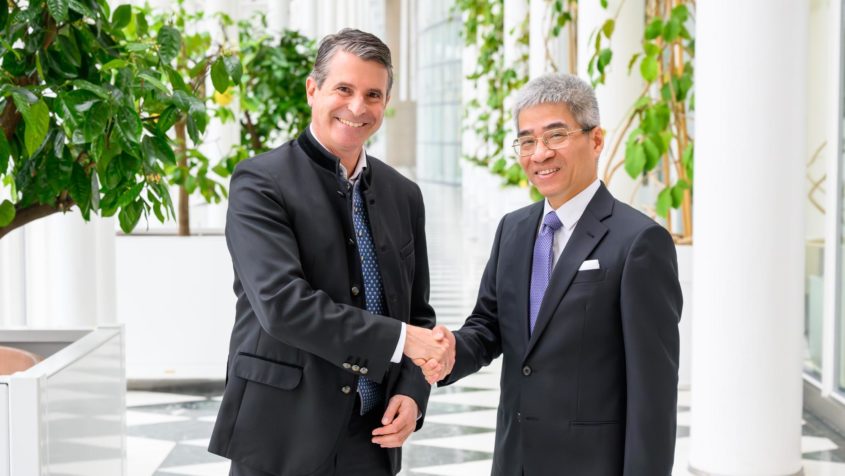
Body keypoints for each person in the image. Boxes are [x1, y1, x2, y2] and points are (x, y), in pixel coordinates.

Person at [209, 28, 448, 476]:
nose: (357, 107)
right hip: (282, 432)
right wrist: (400, 340)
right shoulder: (259, 183)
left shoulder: (404, 194)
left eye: (373, 95)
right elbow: (283, 306)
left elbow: (418, 313)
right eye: (343, 89)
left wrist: (413, 392)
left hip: (371, 436)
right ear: (312, 89)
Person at [419, 73, 682, 475]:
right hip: (516, 459)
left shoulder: (639, 242)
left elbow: (653, 393)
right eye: (527, 141)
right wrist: (452, 351)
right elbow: (488, 325)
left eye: (556, 136)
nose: (539, 153)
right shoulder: (513, 229)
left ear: (596, 140)